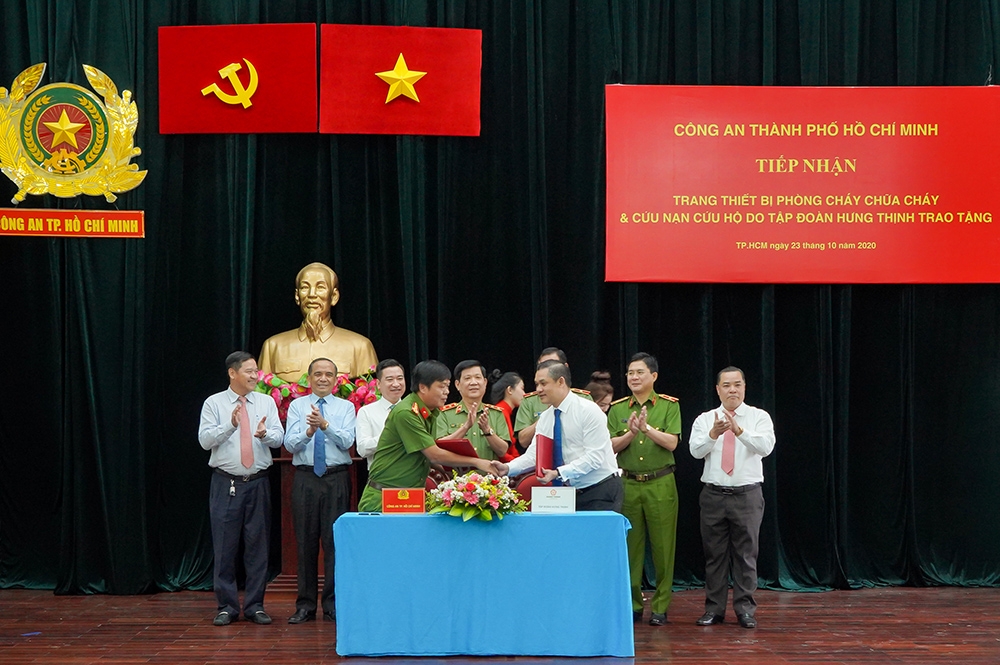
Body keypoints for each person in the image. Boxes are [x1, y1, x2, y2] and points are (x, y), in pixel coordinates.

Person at [198, 351, 284, 626]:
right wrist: (230, 425)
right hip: (226, 483)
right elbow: (204, 440)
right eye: (249, 371)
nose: (254, 375)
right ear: (232, 373)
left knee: (258, 547)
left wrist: (265, 435)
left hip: (258, 483)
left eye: (256, 370)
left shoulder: (266, 402)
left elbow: (279, 438)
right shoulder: (214, 403)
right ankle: (227, 606)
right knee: (225, 547)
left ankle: (255, 605)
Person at [689, 366, 775, 630]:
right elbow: (695, 451)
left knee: (746, 555)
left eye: (737, 384)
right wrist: (713, 434)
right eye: (726, 385)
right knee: (714, 555)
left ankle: (745, 610)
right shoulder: (706, 419)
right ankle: (714, 609)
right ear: (718, 390)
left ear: (745, 387)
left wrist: (739, 431)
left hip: (746, 495)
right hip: (713, 495)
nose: (732, 390)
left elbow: (766, 447)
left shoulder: (759, 417)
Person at [356, 360, 497, 511]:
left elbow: (432, 448)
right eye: (442, 386)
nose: (447, 392)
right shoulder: (407, 413)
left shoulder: (430, 412)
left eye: (447, 386)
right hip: (383, 498)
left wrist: (460, 470)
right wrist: (476, 462)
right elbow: (434, 454)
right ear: (423, 387)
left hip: (409, 496)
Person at [607, 353, 681, 626]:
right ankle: (634, 605)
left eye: (639, 372)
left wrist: (646, 428)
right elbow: (609, 447)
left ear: (654, 376)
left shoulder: (668, 406)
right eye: (630, 373)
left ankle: (660, 607)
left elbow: (672, 443)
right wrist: (631, 433)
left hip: (661, 482)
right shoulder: (617, 409)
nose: (634, 377)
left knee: (663, 548)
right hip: (627, 483)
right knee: (630, 548)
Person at [495, 360, 623, 512]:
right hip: (570, 492)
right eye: (537, 384)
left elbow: (595, 457)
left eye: (543, 383)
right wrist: (507, 468)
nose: (538, 389)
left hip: (600, 490)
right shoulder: (546, 417)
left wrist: (559, 473)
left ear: (561, 382)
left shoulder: (588, 411)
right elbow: (534, 455)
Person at [283, 358, 355, 624]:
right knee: (305, 542)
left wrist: (325, 425)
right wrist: (309, 431)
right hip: (305, 478)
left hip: (336, 478)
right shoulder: (297, 406)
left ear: (336, 379)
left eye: (328, 374)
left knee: (334, 543)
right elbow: (290, 444)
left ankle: (332, 604)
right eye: (318, 374)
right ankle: (305, 605)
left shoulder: (346, 407)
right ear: (309, 378)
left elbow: (348, 441)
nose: (323, 378)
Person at [258, 262, 378, 381]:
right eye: (305, 287)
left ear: (334, 296)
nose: (311, 294)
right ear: (297, 296)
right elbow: (260, 390)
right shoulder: (273, 346)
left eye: (320, 287)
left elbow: (371, 390)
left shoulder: (360, 347)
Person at [513, 347, 592, 451]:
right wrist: (546, 417)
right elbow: (525, 443)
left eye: (552, 364)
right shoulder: (531, 402)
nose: (539, 389)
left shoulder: (585, 404)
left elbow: (595, 450)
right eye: (541, 365)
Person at [434, 360, 511, 460]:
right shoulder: (444, 414)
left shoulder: (496, 414)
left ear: (485, 382)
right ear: (457, 385)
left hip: (489, 470)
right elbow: (439, 448)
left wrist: (487, 431)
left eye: (478, 377)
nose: (473, 382)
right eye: (467, 378)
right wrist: (465, 427)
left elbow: (502, 451)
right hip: (456, 470)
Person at [355, 359, 407, 468]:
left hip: (412, 474)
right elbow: (362, 449)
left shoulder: (414, 409)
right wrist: (390, 436)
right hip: (382, 475)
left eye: (400, 378)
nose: (396, 384)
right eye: (390, 379)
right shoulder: (366, 412)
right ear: (378, 384)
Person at [490, 370, 524, 461]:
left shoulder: (504, 411)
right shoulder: (500, 412)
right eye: (522, 388)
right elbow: (502, 452)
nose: (524, 394)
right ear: (510, 390)